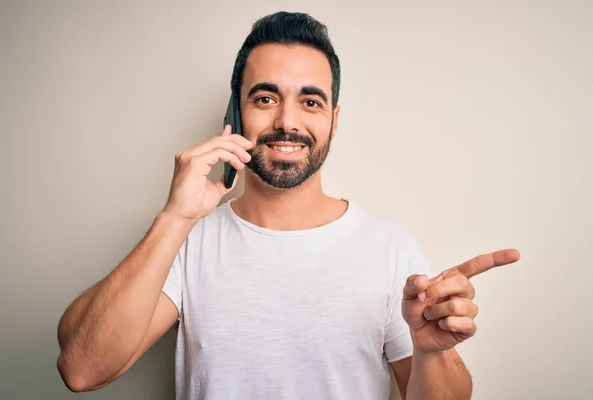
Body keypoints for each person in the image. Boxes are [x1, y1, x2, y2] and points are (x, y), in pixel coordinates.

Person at [56, 11, 520, 400]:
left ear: (334, 121)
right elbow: (81, 368)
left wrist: (430, 352)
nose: (287, 121)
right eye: (265, 97)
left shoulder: (389, 246)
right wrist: (174, 217)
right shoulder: (187, 240)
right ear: (234, 114)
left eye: (311, 102)